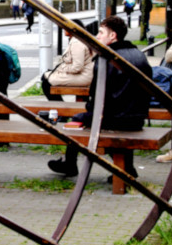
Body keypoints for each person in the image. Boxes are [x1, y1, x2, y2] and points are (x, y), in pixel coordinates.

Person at [48, 16, 152, 177]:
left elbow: (97, 97)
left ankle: (70, 163)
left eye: (101, 32)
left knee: (77, 120)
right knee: (98, 121)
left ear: (113, 36)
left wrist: (88, 112)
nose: (97, 36)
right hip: (137, 116)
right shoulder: (139, 55)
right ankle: (126, 168)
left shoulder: (106, 59)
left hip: (115, 117)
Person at [41, 20, 93, 101]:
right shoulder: (80, 39)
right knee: (47, 77)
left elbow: (77, 67)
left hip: (83, 76)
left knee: (46, 81)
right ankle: (62, 108)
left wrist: (62, 69)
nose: (63, 29)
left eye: (65, 27)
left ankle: (61, 110)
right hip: (86, 75)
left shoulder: (77, 43)